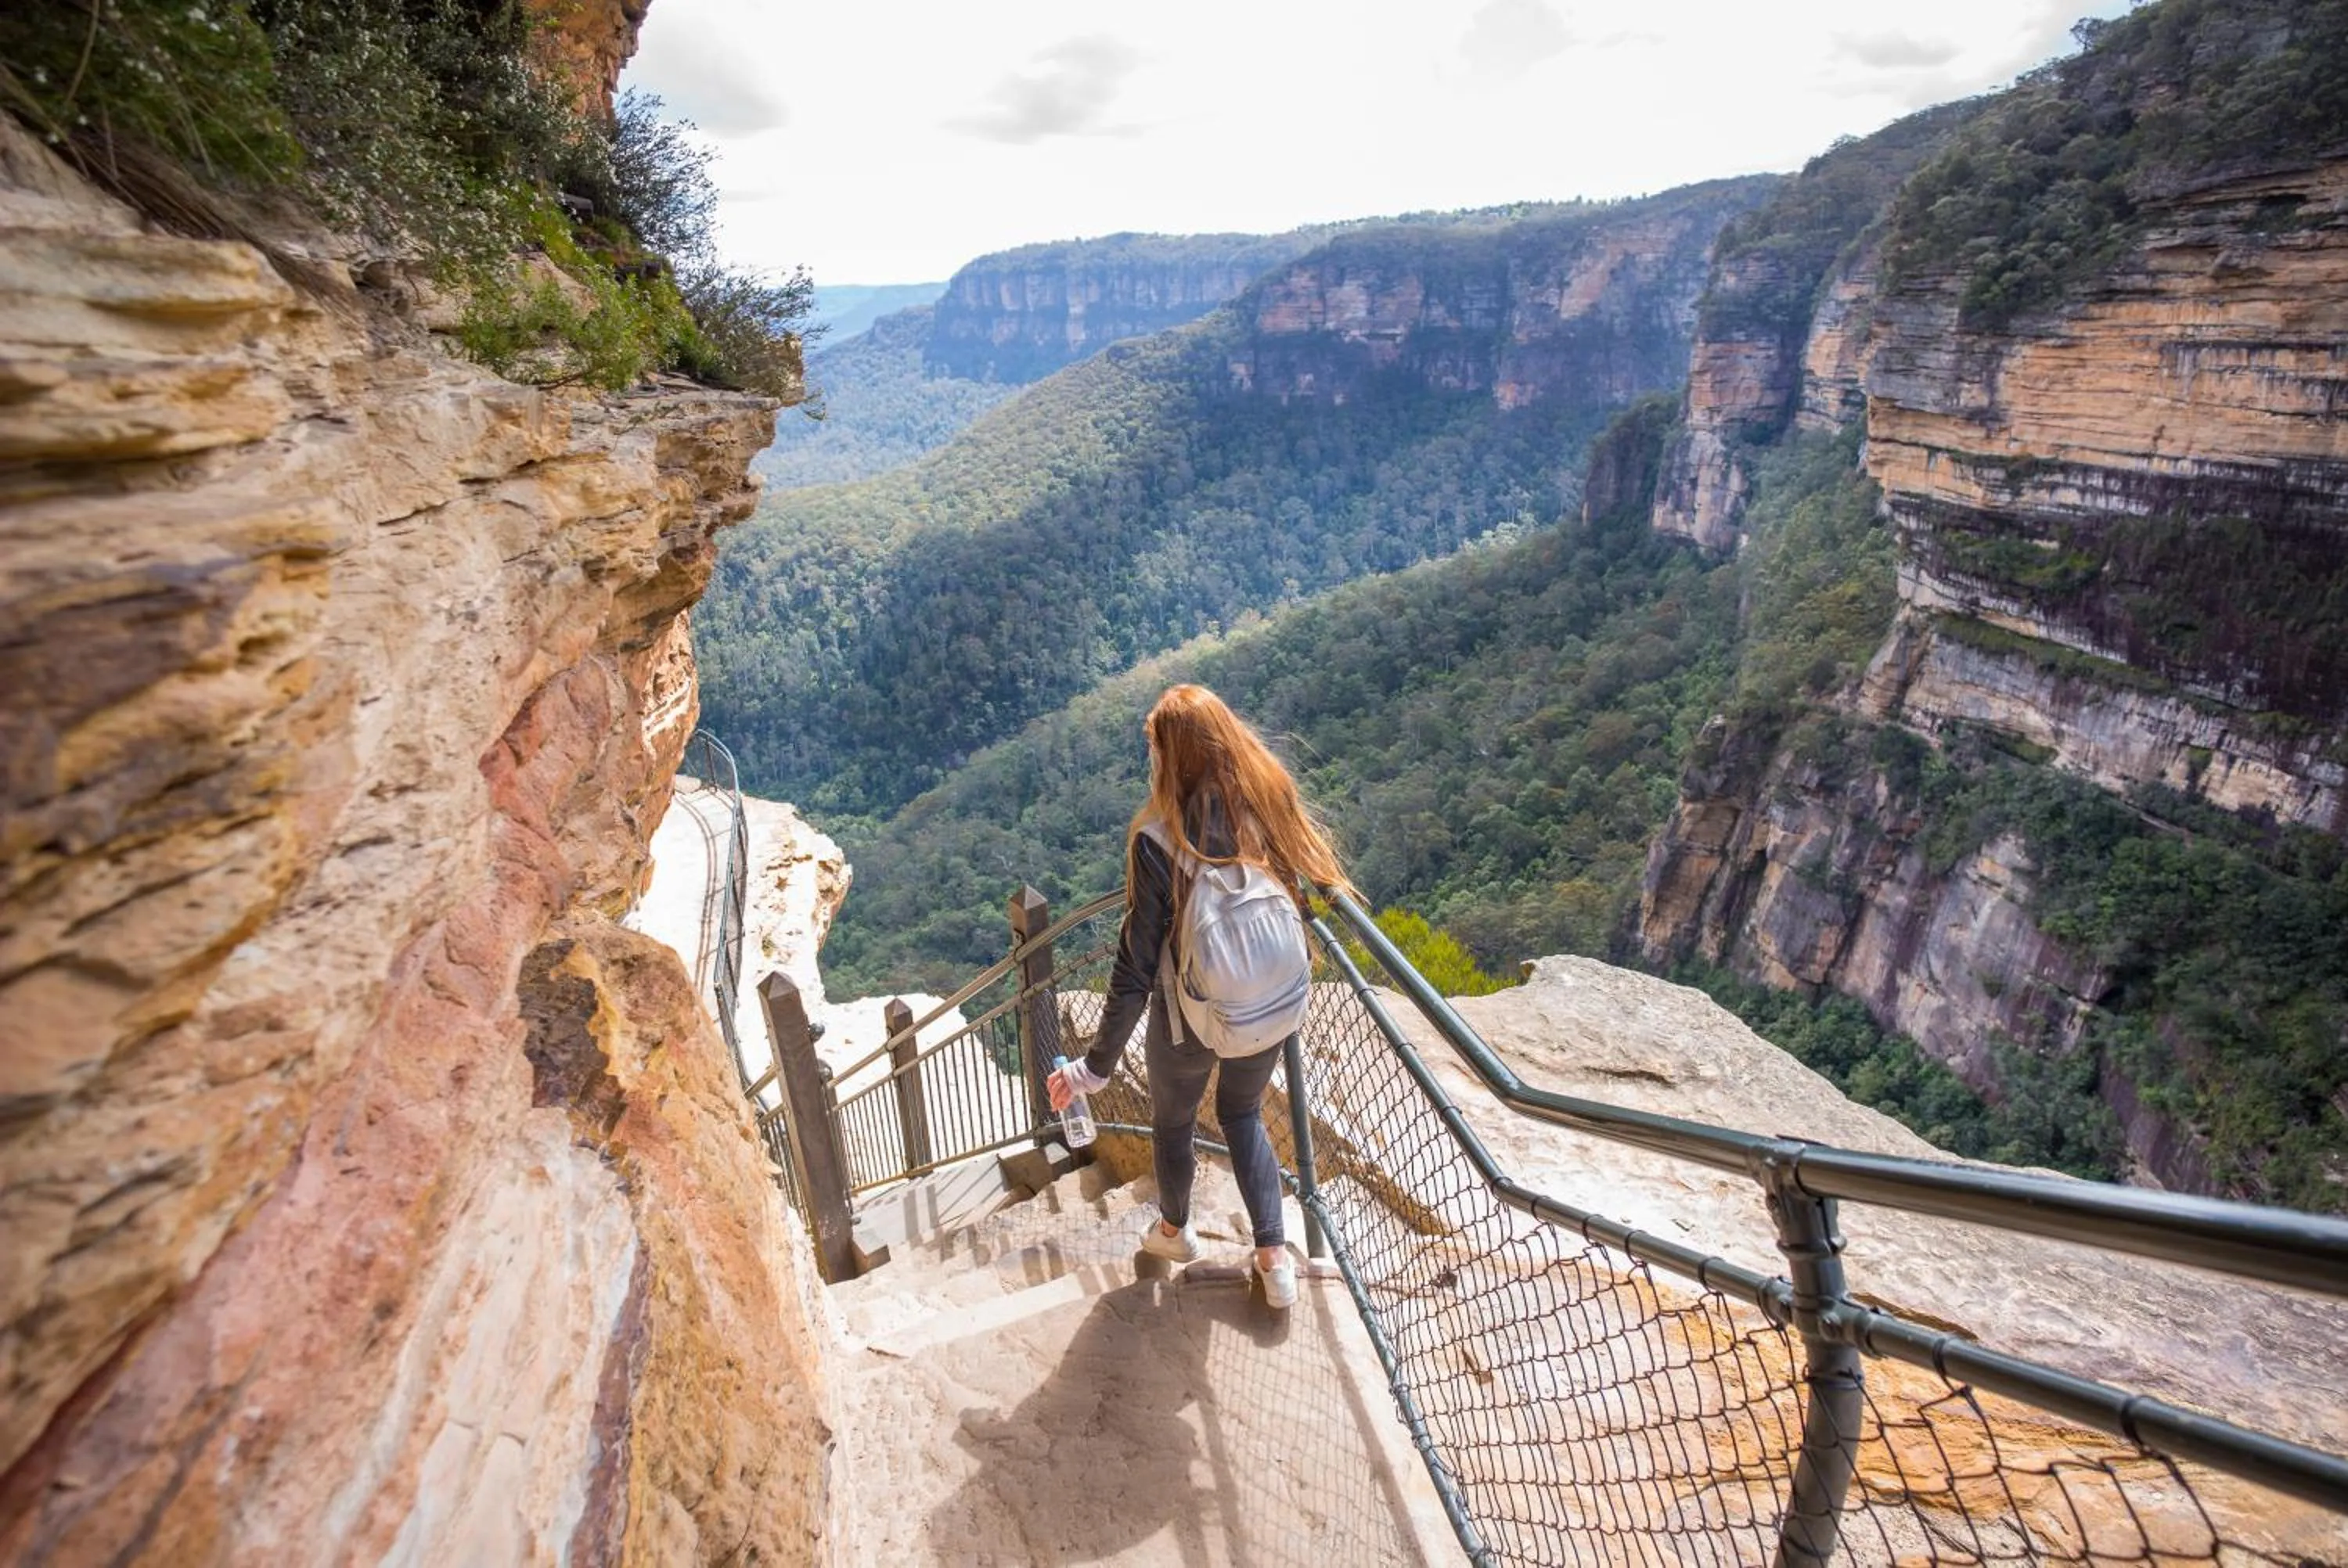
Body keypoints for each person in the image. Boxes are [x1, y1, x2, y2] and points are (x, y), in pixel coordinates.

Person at [1046, 685, 1352, 1310]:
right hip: (1271, 1005)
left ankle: (1174, 1231)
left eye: (1154, 748)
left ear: (1171, 757)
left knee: (1175, 1121)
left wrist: (1094, 1069)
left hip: (1187, 1021)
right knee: (1242, 1116)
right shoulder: (1267, 807)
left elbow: (1135, 968)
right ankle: (1274, 1259)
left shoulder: (1159, 842)